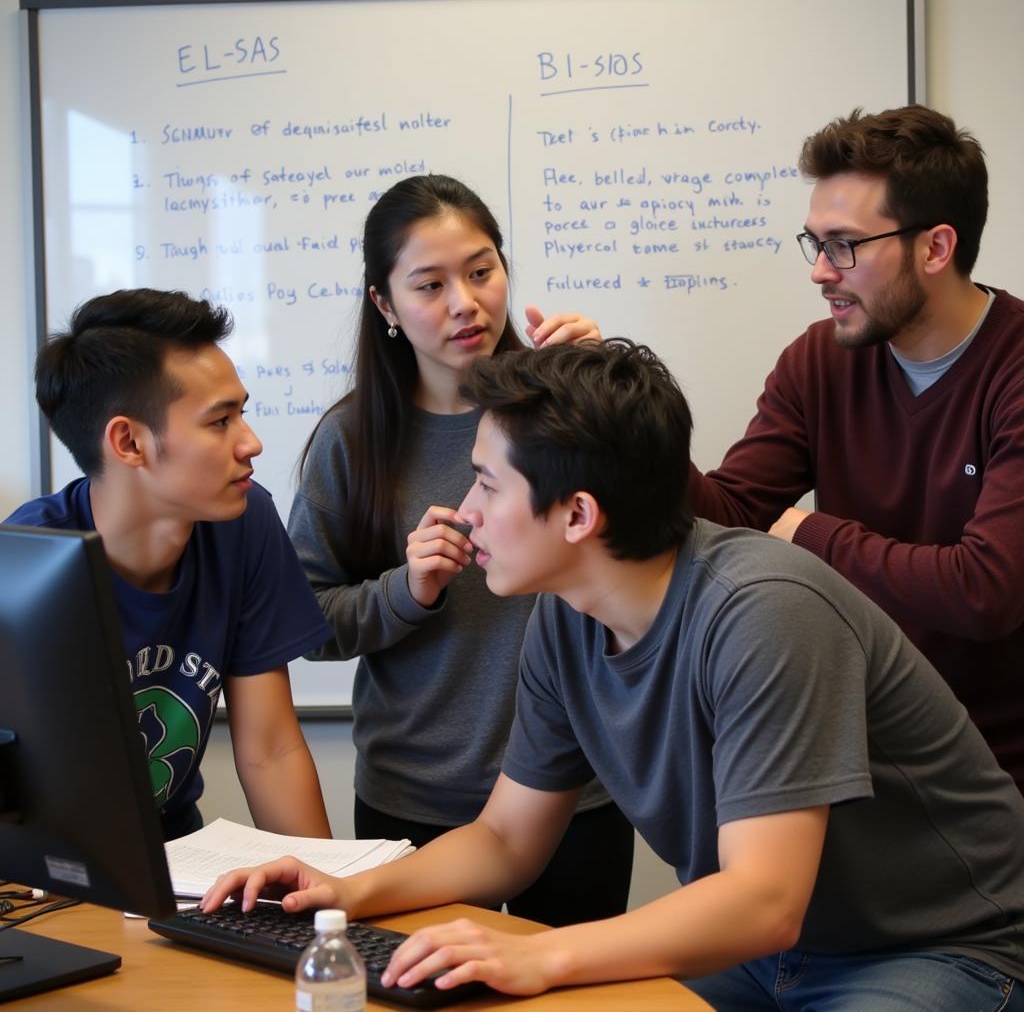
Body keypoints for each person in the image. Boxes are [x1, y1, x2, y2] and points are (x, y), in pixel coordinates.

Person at [203, 338, 1024, 1011]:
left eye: (487, 482)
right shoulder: (568, 615)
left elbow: (763, 901)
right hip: (777, 952)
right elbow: (503, 842)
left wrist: (545, 955)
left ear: (579, 515)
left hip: (942, 948)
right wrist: (340, 892)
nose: (468, 509)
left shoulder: (765, 609)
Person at [287, 173, 633, 926]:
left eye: (481, 271)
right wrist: (403, 593)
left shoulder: (564, 407)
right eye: (429, 284)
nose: (465, 303)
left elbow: (652, 551)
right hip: (415, 795)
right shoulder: (352, 443)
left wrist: (608, 394)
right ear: (384, 304)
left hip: (579, 785)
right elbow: (304, 621)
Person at [687, 104, 1024, 790]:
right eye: (815, 244)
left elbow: (986, 590)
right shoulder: (819, 361)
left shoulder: (1013, 370)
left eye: (844, 245)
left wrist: (812, 535)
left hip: (998, 775)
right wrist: (622, 413)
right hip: (858, 754)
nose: (820, 272)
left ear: (935, 248)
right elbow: (731, 509)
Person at [5, 288, 333, 841]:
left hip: (175, 865)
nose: (250, 443)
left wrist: (330, 906)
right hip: (48, 882)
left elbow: (270, 750)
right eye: (219, 421)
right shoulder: (21, 567)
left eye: (241, 413)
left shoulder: (243, 520)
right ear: (129, 442)